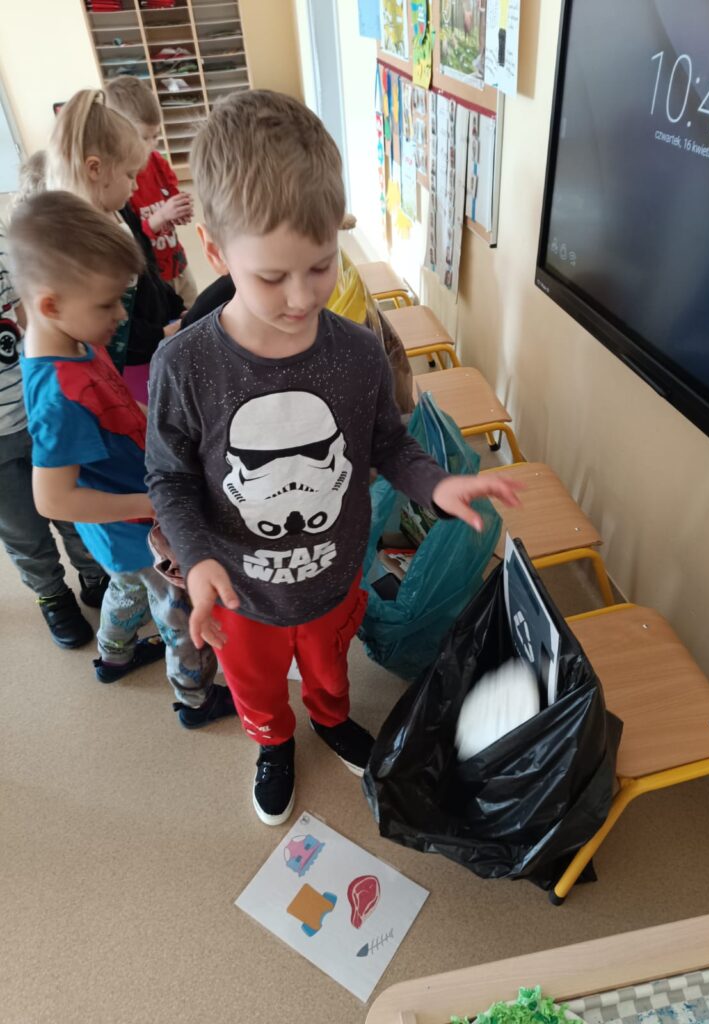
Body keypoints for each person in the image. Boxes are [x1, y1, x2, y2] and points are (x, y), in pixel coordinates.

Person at [144, 90, 524, 824]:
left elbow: (387, 442)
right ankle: (273, 742)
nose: (300, 298)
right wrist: (197, 557)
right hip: (240, 594)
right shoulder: (185, 366)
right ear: (216, 253)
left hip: (333, 575)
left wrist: (435, 485)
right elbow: (168, 476)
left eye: (320, 267)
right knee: (257, 686)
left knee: (328, 668)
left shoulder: (355, 351)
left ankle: (327, 717)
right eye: (271, 277)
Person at [9, 190, 235, 728]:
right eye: (108, 304)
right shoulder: (59, 395)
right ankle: (195, 699)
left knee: (128, 587)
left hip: (122, 531)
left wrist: (158, 424)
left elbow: (117, 403)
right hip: (134, 528)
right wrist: (148, 503)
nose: (121, 314)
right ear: (51, 305)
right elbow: (52, 499)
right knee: (176, 610)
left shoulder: (75, 340)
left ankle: (113, 655)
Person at [0, 220, 108, 648]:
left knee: (73, 506)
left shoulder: (4, 248)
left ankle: (94, 574)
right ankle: (52, 594)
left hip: (39, 411)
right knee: (22, 531)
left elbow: (27, 311)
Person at [47, 89, 183, 400]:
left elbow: (148, 270)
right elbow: (110, 326)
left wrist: (176, 307)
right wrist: (163, 333)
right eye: (129, 175)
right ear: (95, 169)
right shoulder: (82, 241)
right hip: (133, 364)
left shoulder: (122, 210)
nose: (135, 186)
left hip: (158, 338)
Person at [104, 75, 197, 308]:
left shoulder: (158, 163)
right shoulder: (121, 183)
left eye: (156, 136)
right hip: (153, 276)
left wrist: (178, 211)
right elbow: (134, 237)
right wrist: (162, 216)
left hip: (177, 262)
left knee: (194, 309)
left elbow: (172, 194)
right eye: (144, 137)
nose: (152, 144)